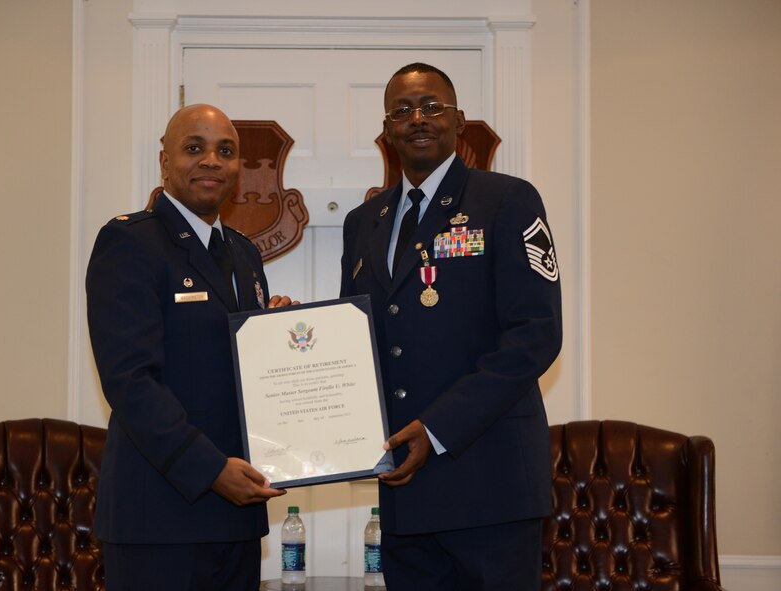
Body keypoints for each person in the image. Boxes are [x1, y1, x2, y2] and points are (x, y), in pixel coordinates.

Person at [340, 63, 562, 590]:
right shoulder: (362, 222)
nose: (417, 119)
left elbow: (536, 334)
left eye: (432, 107)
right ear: (386, 130)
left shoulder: (507, 200)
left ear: (459, 121)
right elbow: (360, 337)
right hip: (404, 490)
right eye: (402, 111)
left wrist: (437, 429)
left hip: (491, 484)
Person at [86, 104, 292, 591]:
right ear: (164, 162)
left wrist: (277, 342)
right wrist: (211, 469)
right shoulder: (130, 242)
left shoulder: (243, 254)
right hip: (158, 518)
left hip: (236, 516)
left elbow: (226, 363)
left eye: (226, 151)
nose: (211, 161)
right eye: (194, 148)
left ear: (239, 168)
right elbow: (130, 380)